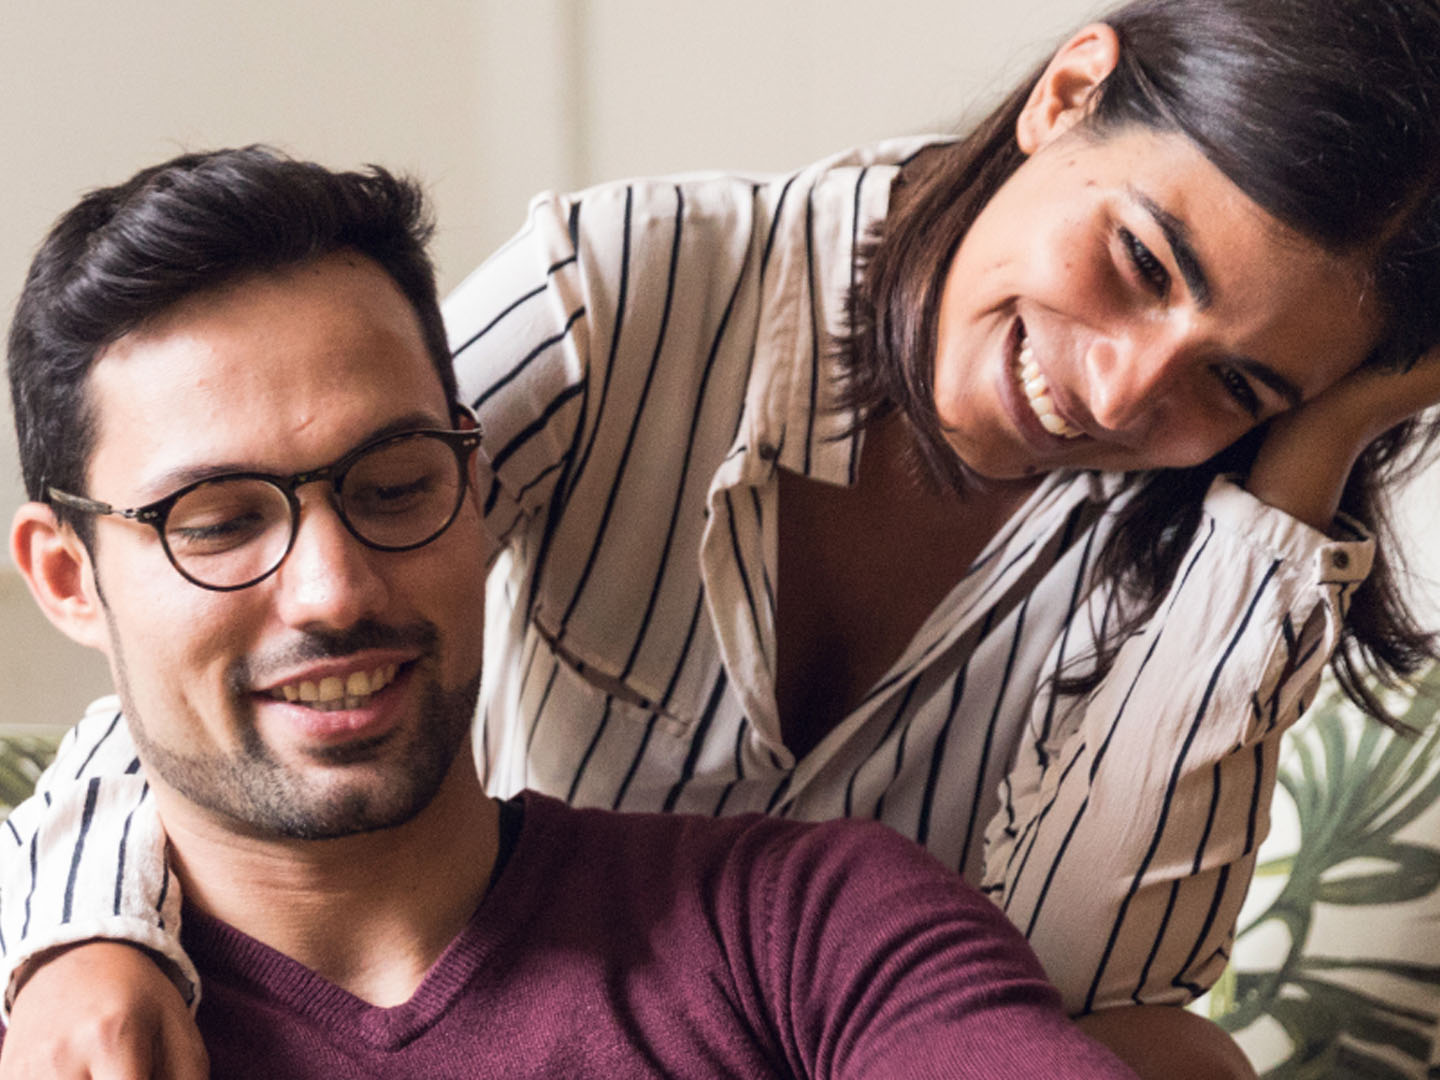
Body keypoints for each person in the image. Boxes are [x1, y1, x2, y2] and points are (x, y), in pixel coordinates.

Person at [5, 0, 1440, 1074]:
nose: (1127, 389)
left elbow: (1086, 995)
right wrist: (75, 934)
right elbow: (282, 578)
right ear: (1070, 94)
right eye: (1140, 262)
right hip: (503, 976)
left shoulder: (1210, 540)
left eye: (1236, 382)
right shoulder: (634, 291)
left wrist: (1292, 477)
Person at [0, 146, 1145, 1079]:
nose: (334, 589)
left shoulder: (807, 926)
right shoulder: (54, 1035)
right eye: (219, 522)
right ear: (66, 576)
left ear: (477, 484)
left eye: (396, 485)